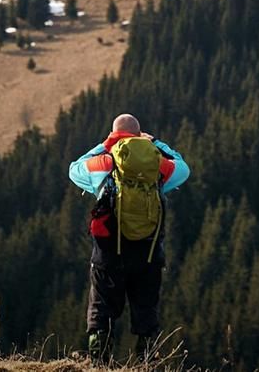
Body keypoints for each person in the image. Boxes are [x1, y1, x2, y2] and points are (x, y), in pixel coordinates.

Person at [69, 113, 190, 360]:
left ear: (115, 135)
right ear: (139, 135)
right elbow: (183, 167)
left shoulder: (104, 163)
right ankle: (147, 361)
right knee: (147, 311)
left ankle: (99, 362)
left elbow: (74, 168)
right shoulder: (156, 167)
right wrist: (155, 143)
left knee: (102, 310)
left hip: (109, 255)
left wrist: (105, 144)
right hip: (148, 254)